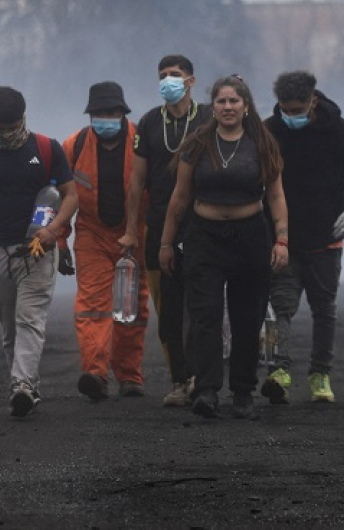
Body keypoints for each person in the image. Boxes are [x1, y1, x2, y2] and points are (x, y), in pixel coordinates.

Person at [160, 75, 289, 420]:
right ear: (212, 107)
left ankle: (243, 391)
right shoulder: (197, 144)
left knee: (248, 317)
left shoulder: (262, 143)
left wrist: (282, 239)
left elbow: (275, 196)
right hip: (205, 237)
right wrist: (166, 243)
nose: (228, 107)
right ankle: (206, 390)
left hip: (250, 237)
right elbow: (180, 198)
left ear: (246, 106)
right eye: (221, 101)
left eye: (234, 101)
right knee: (205, 316)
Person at [261, 71, 344, 405]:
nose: (291, 116)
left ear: (313, 101)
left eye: (298, 109)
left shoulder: (337, 130)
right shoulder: (270, 130)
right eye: (286, 110)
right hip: (282, 237)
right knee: (282, 306)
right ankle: (279, 370)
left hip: (326, 236)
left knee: (324, 308)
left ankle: (320, 373)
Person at [123, 54, 212, 408]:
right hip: (160, 227)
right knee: (170, 311)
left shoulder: (207, 118)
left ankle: (203, 378)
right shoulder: (147, 122)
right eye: (162, 75)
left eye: (175, 75)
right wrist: (131, 230)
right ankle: (179, 380)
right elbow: (136, 180)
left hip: (204, 224)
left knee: (203, 306)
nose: (168, 80)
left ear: (190, 80)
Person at [62, 81, 151, 401]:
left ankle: (130, 376)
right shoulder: (74, 145)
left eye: (111, 112)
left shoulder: (143, 141)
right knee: (92, 305)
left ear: (123, 113)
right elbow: (61, 196)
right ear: (90, 115)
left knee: (132, 307)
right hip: (92, 235)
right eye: (99, 113)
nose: (105, 118)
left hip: (135, 234)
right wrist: (60, 241)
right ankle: (96, 373)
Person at [0, 87, 78, 417]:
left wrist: (54, 229)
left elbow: (69, 195)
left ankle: (23, 385)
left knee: (29, 318)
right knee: (10, 327)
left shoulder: (45, 149)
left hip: (35, 248)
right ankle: (22, 379)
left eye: (12, 126)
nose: (7, 134)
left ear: (23, 119)